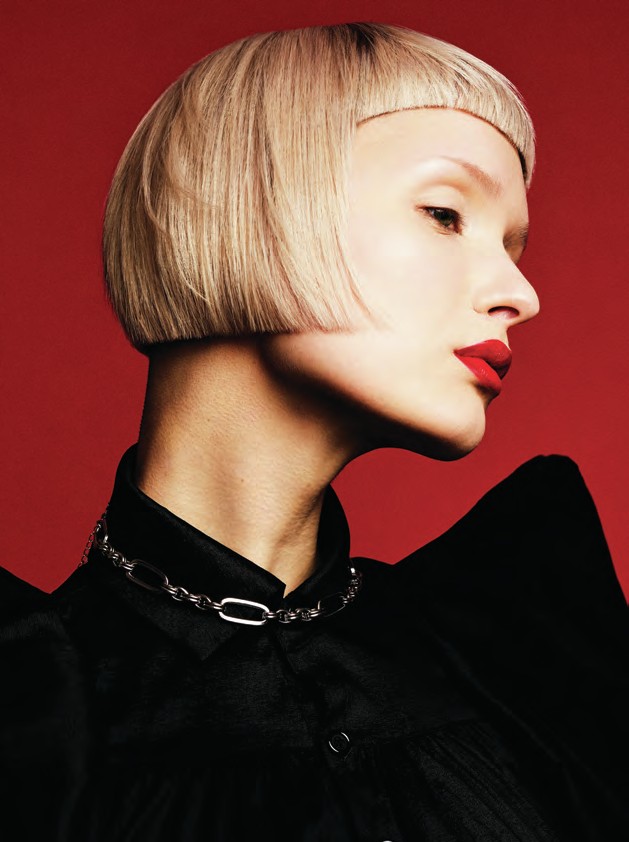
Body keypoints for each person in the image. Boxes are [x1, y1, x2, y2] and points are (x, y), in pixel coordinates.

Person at [1, 21, 628, 842]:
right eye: (445, 214)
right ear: (241, 207)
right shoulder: (32, 713)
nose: (519, 293)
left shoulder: (516, 652)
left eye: (512, 246)